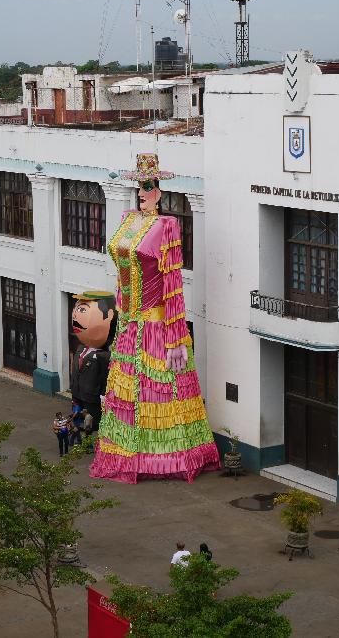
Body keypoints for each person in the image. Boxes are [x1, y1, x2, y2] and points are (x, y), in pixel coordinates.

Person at [90, 153, 222, 484]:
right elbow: (122, 276)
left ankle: (168, 457)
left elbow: (173, 286)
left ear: (159, 191)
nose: (141, 192)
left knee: (160, 393)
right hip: (131, 324)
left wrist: (177, 338)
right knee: (130, 395)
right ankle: (130, 456)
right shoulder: (128, 220)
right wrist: (121, 312)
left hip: (155, 326)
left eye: (147, 186)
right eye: (139, 185)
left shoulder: (167, 227)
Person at [70, 291, 117, 434]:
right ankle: (78, 429)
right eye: (78, 310)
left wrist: (102, 396)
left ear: (109, 316)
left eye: (83, 310)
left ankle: (89, 436)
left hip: (92, 397)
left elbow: (105, 378)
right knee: (77, 417)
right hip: (77, 393)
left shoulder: (103, 357)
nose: (77, 316)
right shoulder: (80, 349)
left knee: (91, 421)